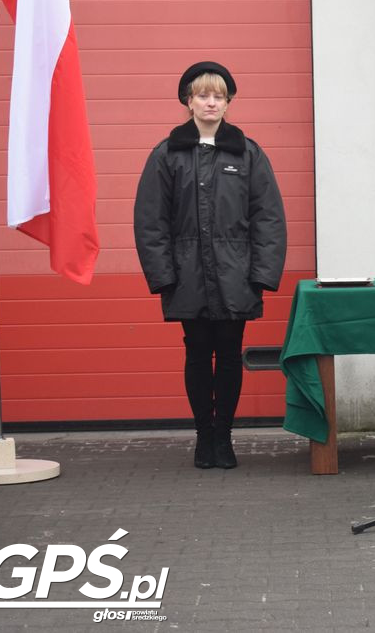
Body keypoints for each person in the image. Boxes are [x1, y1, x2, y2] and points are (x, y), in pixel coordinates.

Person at [134, 62, 287, 470]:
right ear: (189, 101)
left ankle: (225, 436)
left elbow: (268, 216)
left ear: (228, 102)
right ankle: (204, 437)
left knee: (231, 355)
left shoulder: (247, 152)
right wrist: (164, 276)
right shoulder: (168, 154)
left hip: (235, 274)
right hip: (187, 276)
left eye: (219, 96)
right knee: (198, 354)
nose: (211, 102)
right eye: (203, 95)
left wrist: (261, 274)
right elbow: (151, 220)